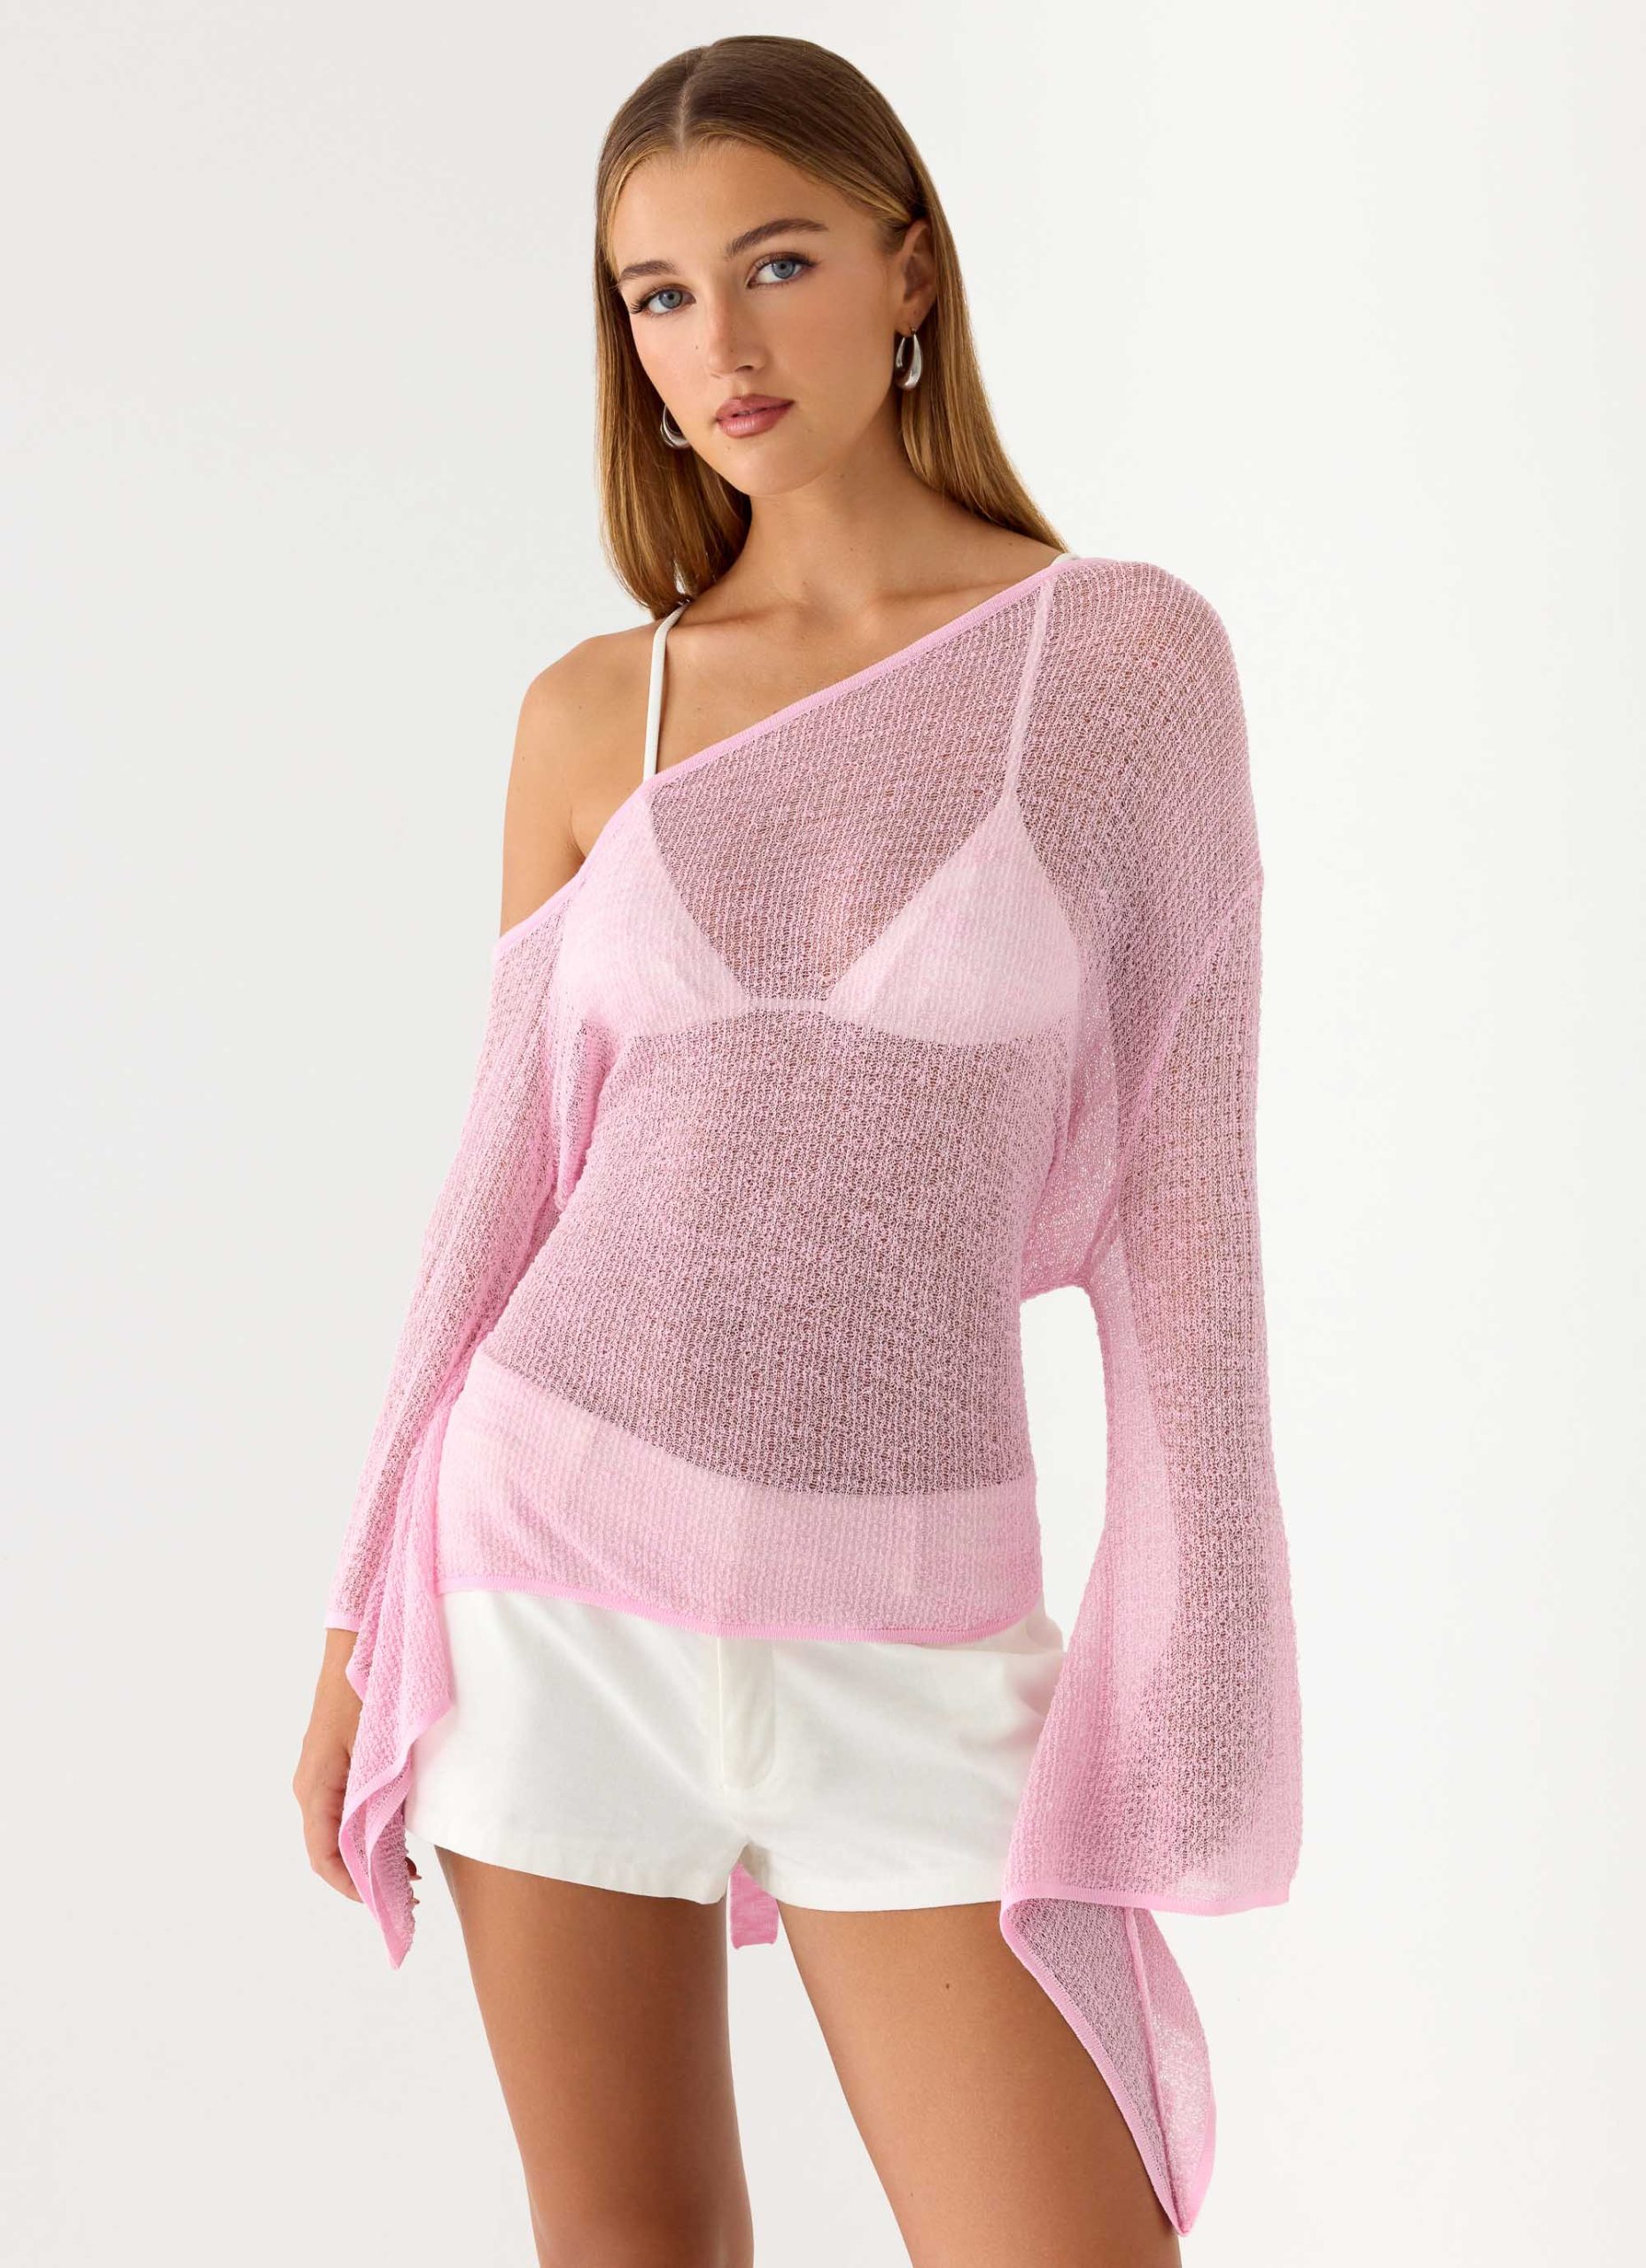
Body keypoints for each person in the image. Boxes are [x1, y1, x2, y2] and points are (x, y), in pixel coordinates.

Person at [292, 34, 1302, 2268]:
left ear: (907, 269)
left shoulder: (1116, 666)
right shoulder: (598, 707)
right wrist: (364, 1623)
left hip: (914, 1628)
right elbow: (492, 1197)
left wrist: (1193, 1659)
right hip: (545, 1575)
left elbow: (1192, 1231)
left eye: (775, 264)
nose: (719, 346)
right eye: (657, 295)